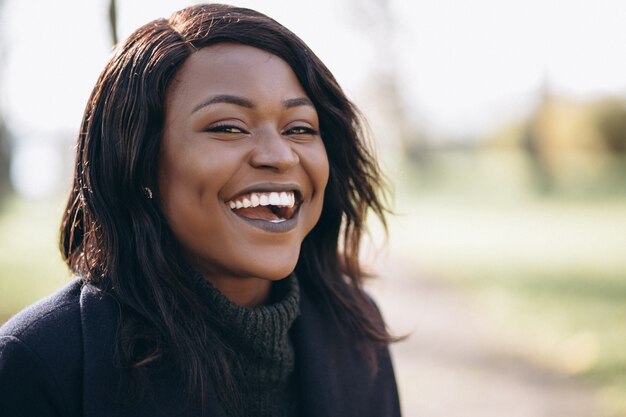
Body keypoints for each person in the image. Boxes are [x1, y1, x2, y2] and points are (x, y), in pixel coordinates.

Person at [0, 4, 401, 416]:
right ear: (137, 162)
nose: (280, 156)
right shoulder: (36, 363)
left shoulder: (357, 331)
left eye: (299, 128)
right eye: (228, 127)